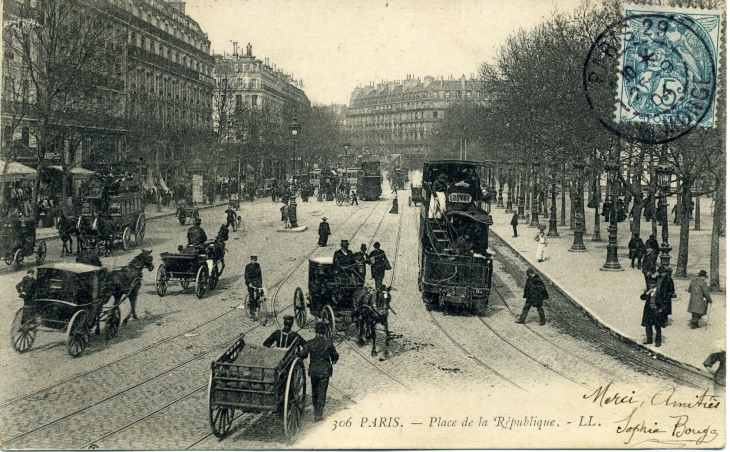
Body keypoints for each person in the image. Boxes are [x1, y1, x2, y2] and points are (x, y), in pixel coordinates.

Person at [298, 322, 339, 422]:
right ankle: (318, 414)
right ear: (324, 332)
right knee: (322, 392)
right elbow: (335, 355)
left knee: (314, 391)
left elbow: (303, 355)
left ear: (316, 332)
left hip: (314, 371)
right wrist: (333, 360)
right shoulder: (328, 342)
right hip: (325, 371)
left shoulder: (310, 342)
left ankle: (316, 409)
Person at [640, 283, 669, 347]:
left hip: (656, 311)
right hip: (648, 311)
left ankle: (658, 341)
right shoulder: (649, 291)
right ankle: (649, 340)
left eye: (651, 285)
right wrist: (647, 293)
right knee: (648, 326)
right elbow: (642, 297)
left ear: (655, 285)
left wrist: (660, 309)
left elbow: (666, 301)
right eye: (650, 285)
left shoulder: (660, 292)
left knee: (657, 327)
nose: (650, 286)